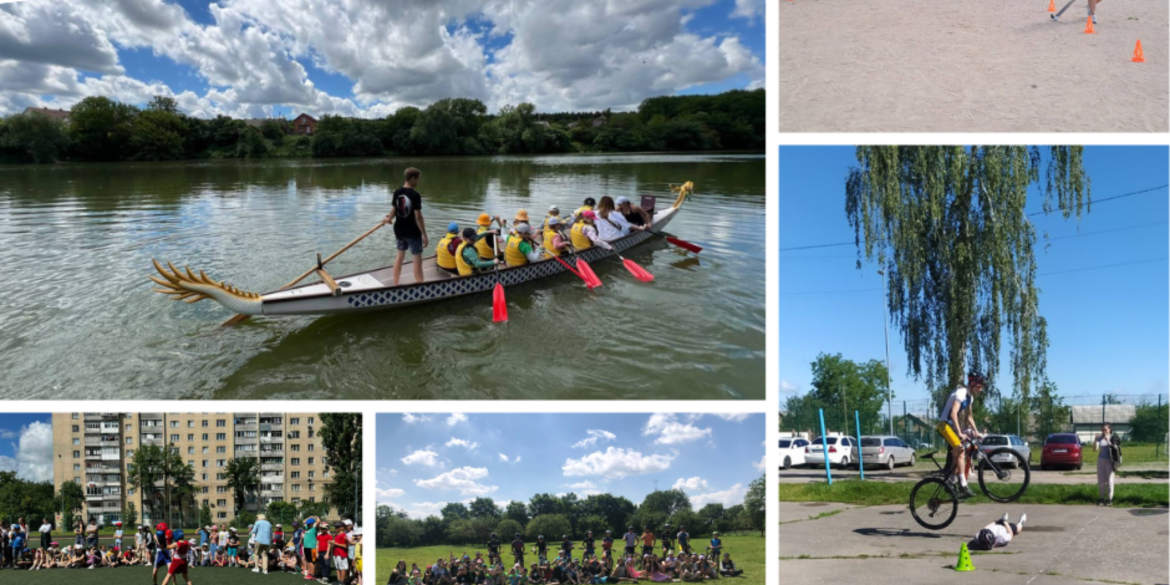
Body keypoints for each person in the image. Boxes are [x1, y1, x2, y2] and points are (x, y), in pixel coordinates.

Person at [935, 372, 986, 498]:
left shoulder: (970, 397)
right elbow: (953, 414)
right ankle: (963, 484)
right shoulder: (961, 393)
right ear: (972, 384)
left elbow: (969, 417)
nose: (981, 389)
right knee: (960, 450)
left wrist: (976, 432)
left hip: (951, 427)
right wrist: (959, 432)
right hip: (944, 425)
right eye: (979, 386)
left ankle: (951, 481)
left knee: (958, 453)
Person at [386, 167, 429, 286]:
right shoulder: (415, 195)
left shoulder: (397, 192)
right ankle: (420, 285)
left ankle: (395, 283)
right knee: (417, 259)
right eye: (418, 179)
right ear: (413, 178)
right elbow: (418, 216)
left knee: (399, 256)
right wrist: (424, 234)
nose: (418, 182)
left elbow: (394, 210)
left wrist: (389, 218)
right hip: (412, 231)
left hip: (399, 230)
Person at [1094, 423, 1117, 506]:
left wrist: (1108, 440)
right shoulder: (1100, 437)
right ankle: (1101, 498)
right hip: (1101, 460)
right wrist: (1095, 439)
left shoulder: (1113, 437)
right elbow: (1095, 449)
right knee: (1101, 481)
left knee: (1110, 480)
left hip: (1110, 461)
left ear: (1110, 429)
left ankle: (1110, 499)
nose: (1104, 431)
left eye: (1105, 429)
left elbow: (1115, 448)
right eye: (1102, 429)